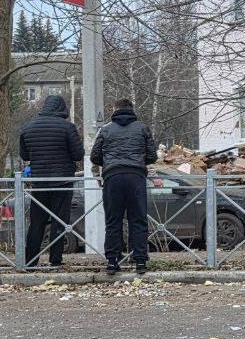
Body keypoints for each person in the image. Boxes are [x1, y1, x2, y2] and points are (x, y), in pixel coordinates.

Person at [90, 98, 158, 276]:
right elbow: (152, 156)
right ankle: (141, 261)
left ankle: (112, 262)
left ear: (114, 109)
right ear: (131, 109)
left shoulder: (105, 130)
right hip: (136, 177)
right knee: (138, 219)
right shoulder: (142, 128)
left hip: (112, 178)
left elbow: (94, 157)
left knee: (113, 221)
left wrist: (109, 162)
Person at [18, 94, 84, 269]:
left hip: (39, 182)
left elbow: (24, 155)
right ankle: (55, 260)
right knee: (59, 221)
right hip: (62, 181)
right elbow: (78, 154)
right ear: (62, 108)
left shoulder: (28, 127)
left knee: (37, 222)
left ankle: (31, 261)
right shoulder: (67, 127)